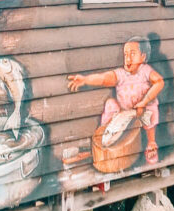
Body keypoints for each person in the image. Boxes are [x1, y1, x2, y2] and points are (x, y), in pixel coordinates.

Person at [67, 36, 164, 164]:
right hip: (124, 112)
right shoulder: (120, 74)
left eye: (132, 54)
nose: (128, 58)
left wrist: (144, 101)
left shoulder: (146, 71)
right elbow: (103, 78)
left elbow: (159, 82)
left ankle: (151, 143)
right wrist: (85, 80)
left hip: (142, 109)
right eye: (125, 54)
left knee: (152, 108)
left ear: (143, 57)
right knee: (110, 104)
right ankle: (104, 134)